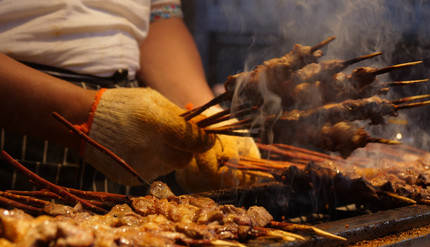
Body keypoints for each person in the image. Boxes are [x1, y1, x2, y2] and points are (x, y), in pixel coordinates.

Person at [0, 0, 259, 195]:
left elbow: (157, 19)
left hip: (130, 121)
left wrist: (208, 117)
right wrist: (85, 114)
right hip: (19, 109)